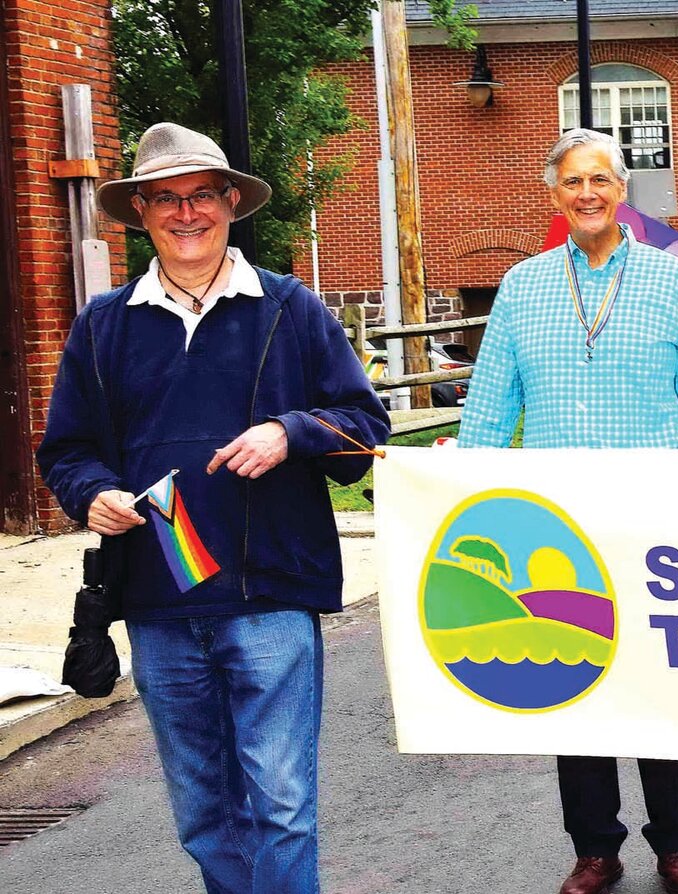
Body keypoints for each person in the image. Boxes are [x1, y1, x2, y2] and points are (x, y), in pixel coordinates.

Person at [35, 122, 390, 894]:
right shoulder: (104, 325)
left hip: (269, 595)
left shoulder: (289, 309)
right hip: (160, 600)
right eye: (165, 198)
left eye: (201, 195)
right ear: (140, 213)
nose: (185, 212)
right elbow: (66, 451)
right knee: (202, 811)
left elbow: (364, 429)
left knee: (281, 803)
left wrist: (288, 431)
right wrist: (91, 492)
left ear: (231, 203)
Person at [458, 129, 678, 894]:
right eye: (572, 182)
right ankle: (594, 848)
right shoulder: (520, 285)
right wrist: (454, 495)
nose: (587, 194)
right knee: (571, 678)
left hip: (655, 513)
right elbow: (489, 404)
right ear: (555, 194)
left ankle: (677, 843)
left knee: (655, 681)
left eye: (600, 180)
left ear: (622, 191)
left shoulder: (671, 282)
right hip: (559, 526)